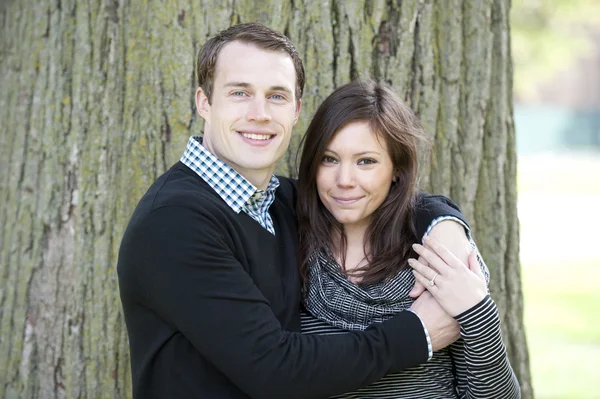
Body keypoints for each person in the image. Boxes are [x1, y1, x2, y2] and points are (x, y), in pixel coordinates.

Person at [118, 23, 469, 399]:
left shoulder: (277, 200)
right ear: (204, 102)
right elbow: (274, 369)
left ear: (297, 110)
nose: (260, 113)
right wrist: (419, 333)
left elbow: (377, 196)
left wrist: (442, 223)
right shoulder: (174, 223)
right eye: (240, 93)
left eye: (277, 96)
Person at [297, 80, 521, 398]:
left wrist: (476, 310)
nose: (344, 180)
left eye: (366, 161)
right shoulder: (290, 250)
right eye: (329, 159)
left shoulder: (436, 259)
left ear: (396, 170)